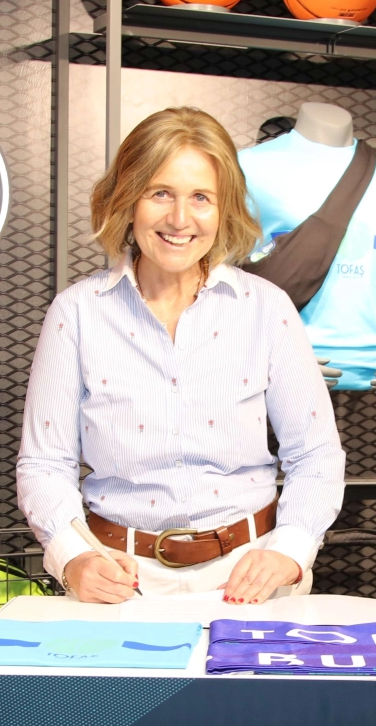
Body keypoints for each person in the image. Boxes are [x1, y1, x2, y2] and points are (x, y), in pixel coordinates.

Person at [17, 107, 345, 604]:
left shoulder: (266, 308)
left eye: (201, 198)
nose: (179, 219)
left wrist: (291, 551)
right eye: (160, 193)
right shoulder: (76, 312)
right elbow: (44, 463)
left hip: (252, 575)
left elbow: (315, 453)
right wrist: (73, 557)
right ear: (128, 200)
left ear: (224, 209)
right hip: (118, 578)